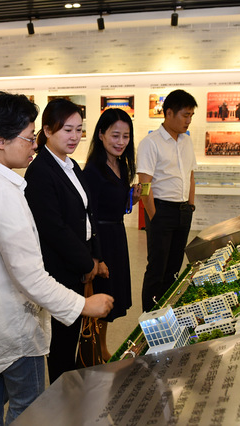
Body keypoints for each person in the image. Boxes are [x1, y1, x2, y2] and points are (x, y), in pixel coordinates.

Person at [0, 91, 113, 425]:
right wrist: (83, 305)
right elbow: (29, 275)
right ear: (0, 140)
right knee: (28, 409)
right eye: (27, 137)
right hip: (13, 330)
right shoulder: (2, 192)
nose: (33, 145)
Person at [24, 98, 108, 384]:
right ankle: (62, 395)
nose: (74, 137)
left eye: (79, 130)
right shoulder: (40, 171)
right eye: (67, 130)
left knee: (74, 336)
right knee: (61, 341)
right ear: (47, 130)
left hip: (79, 261)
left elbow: (88, 214)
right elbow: (53, 228)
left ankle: (73, 391)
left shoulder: (70, 165)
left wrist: (95, 256)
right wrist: (86, 263)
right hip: (59, 267)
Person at [83, 108, 141, 361]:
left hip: (117, 236)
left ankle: (101, 348)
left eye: (126, 136)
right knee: (99, 295)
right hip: (101, 239)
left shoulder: (121, 165)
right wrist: (97, 257)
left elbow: (116, 207)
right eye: (115, 135)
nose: (121, 142)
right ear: (101, 135)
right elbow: (90, 216)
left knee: (110, 298)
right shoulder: (93, 171)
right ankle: (94, 351)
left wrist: (132, 200)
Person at [136, 89, 198, 312]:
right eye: (185, 115)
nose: (188, 120)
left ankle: (166, 312)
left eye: (191, 115)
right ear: (169, 113)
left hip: (183, 211)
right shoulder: (150, 143)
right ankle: (149, 317)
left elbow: (190, 175)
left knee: (174, 267)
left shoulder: (186, 141)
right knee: (157, 268)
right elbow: (144, 185)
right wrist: (154, 218)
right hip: (161, 210)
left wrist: (190, 206)